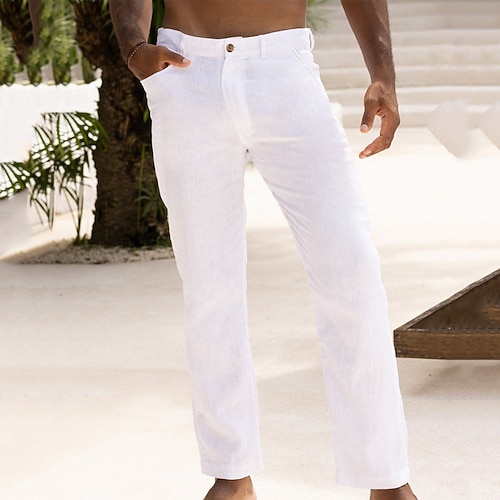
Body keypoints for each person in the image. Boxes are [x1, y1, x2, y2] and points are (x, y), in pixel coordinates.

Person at [109, 1, 417, 499]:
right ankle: (231, 475)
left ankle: (385, 478)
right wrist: (133, 48)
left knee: (352, 269)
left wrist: (383, 73)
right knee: (209, 285)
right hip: (185, 73)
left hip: (284, 69)